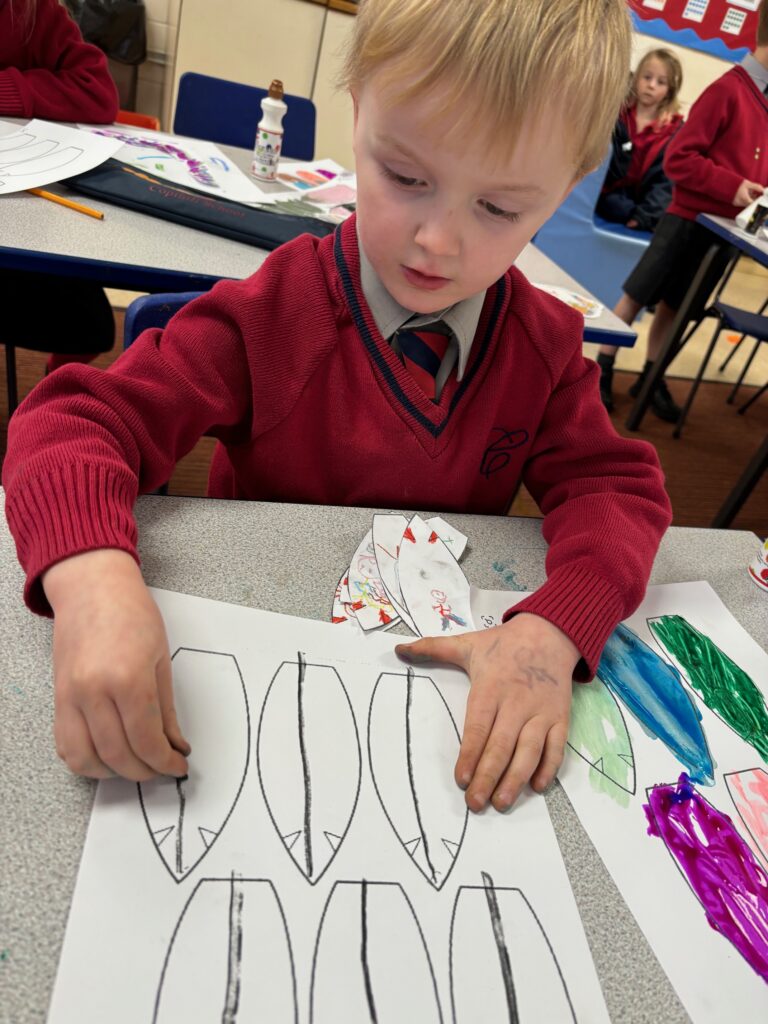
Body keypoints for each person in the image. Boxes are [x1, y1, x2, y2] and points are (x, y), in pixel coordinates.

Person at [2, 0, 672, 814]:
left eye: (498, 209)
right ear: (359, 118)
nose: (437, 242)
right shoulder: (277, 313)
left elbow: (617, 489)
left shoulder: (541, 348)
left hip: (427, 725)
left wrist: (557, 627)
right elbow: (72, 423)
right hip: (248, 694)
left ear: (563, 190)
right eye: (405, 177)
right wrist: (93, 582)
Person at [598, 6, 768, 419]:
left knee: (677, 308)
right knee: (635, 297)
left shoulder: (762, 101)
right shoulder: (730, 89)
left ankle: (651, 377)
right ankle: (601, 370)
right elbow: (680, 159)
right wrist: (732, 187)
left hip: (725, 233)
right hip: (686, 223)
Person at [0, 0, 119, 375]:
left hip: (22, 219)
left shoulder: (31, 12)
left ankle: (56, 392)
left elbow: (99, 92)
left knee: (91, 327)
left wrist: (9, 90)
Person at [596, 48, 684, 233]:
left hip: (638, 202)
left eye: (661, 82)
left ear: (669, 91)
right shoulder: (616, 113)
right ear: (636, 79)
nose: (651, 85)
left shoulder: (671, 132)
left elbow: (665, 182)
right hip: (604, 192)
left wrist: (644, 216)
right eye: (647, 77)